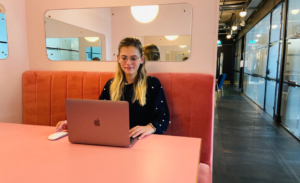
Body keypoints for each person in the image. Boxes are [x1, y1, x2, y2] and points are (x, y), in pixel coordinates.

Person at [55, 37, 170, 140]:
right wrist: (74, 122)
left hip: (142, 141)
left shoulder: (153, 84)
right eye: (124, 58)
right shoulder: (110, 85)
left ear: (142, 59)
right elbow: (98, 116)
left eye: (133, 58)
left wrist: (148, 128)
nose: (128, 63)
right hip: (112, 139)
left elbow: (163, 119)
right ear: (118, 58)